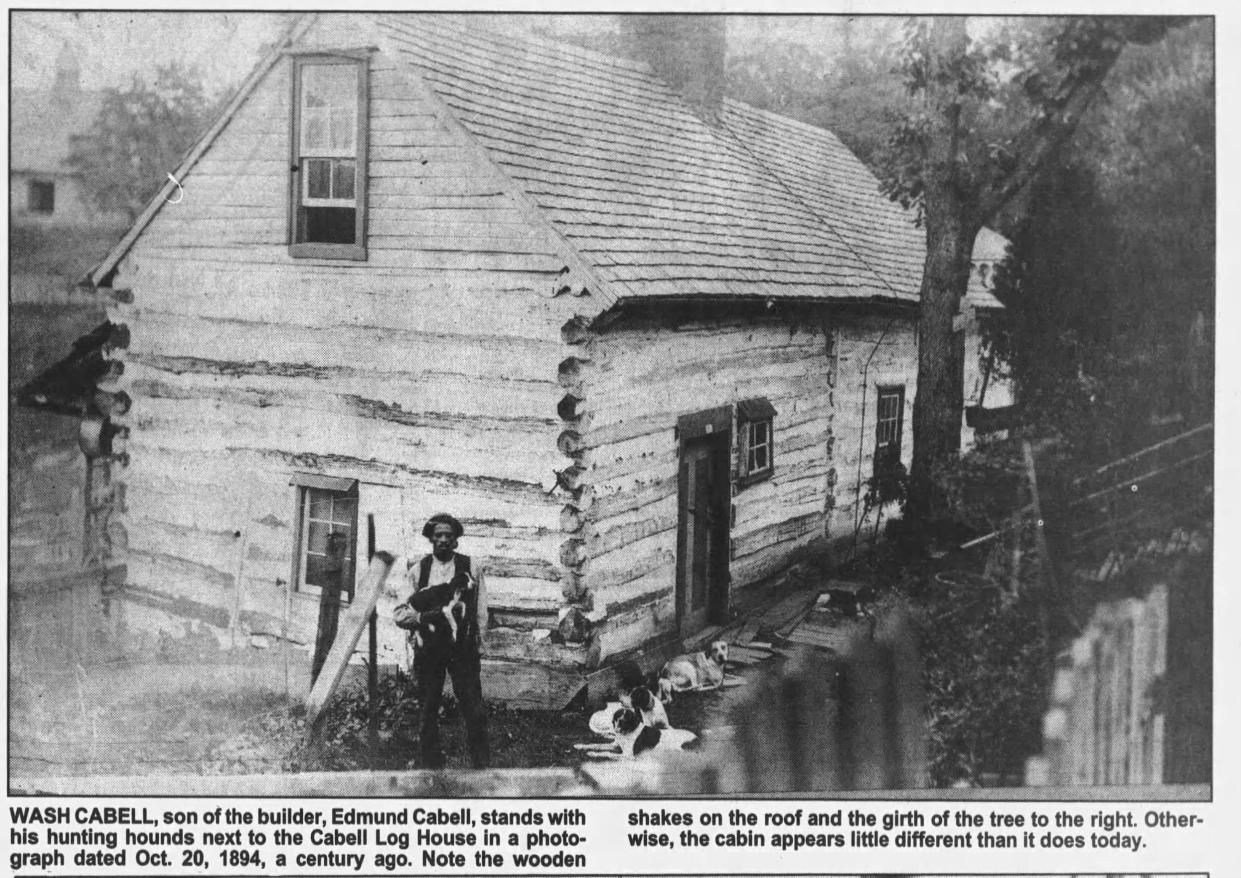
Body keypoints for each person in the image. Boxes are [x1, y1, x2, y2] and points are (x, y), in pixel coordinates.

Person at [393, 513, 490, 769]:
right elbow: (400, 614)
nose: (444, 540)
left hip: (463, 649)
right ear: (431, 540)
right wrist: (424, 618)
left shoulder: (471, 568)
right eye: (439, 536)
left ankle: (482, 767)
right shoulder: (418, 571)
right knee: (427, 708)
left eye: (449, 536)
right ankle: (431, 767)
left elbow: (481, 610)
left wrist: (479, 645)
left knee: (473, 707)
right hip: (429, 650)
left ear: (456, 540)